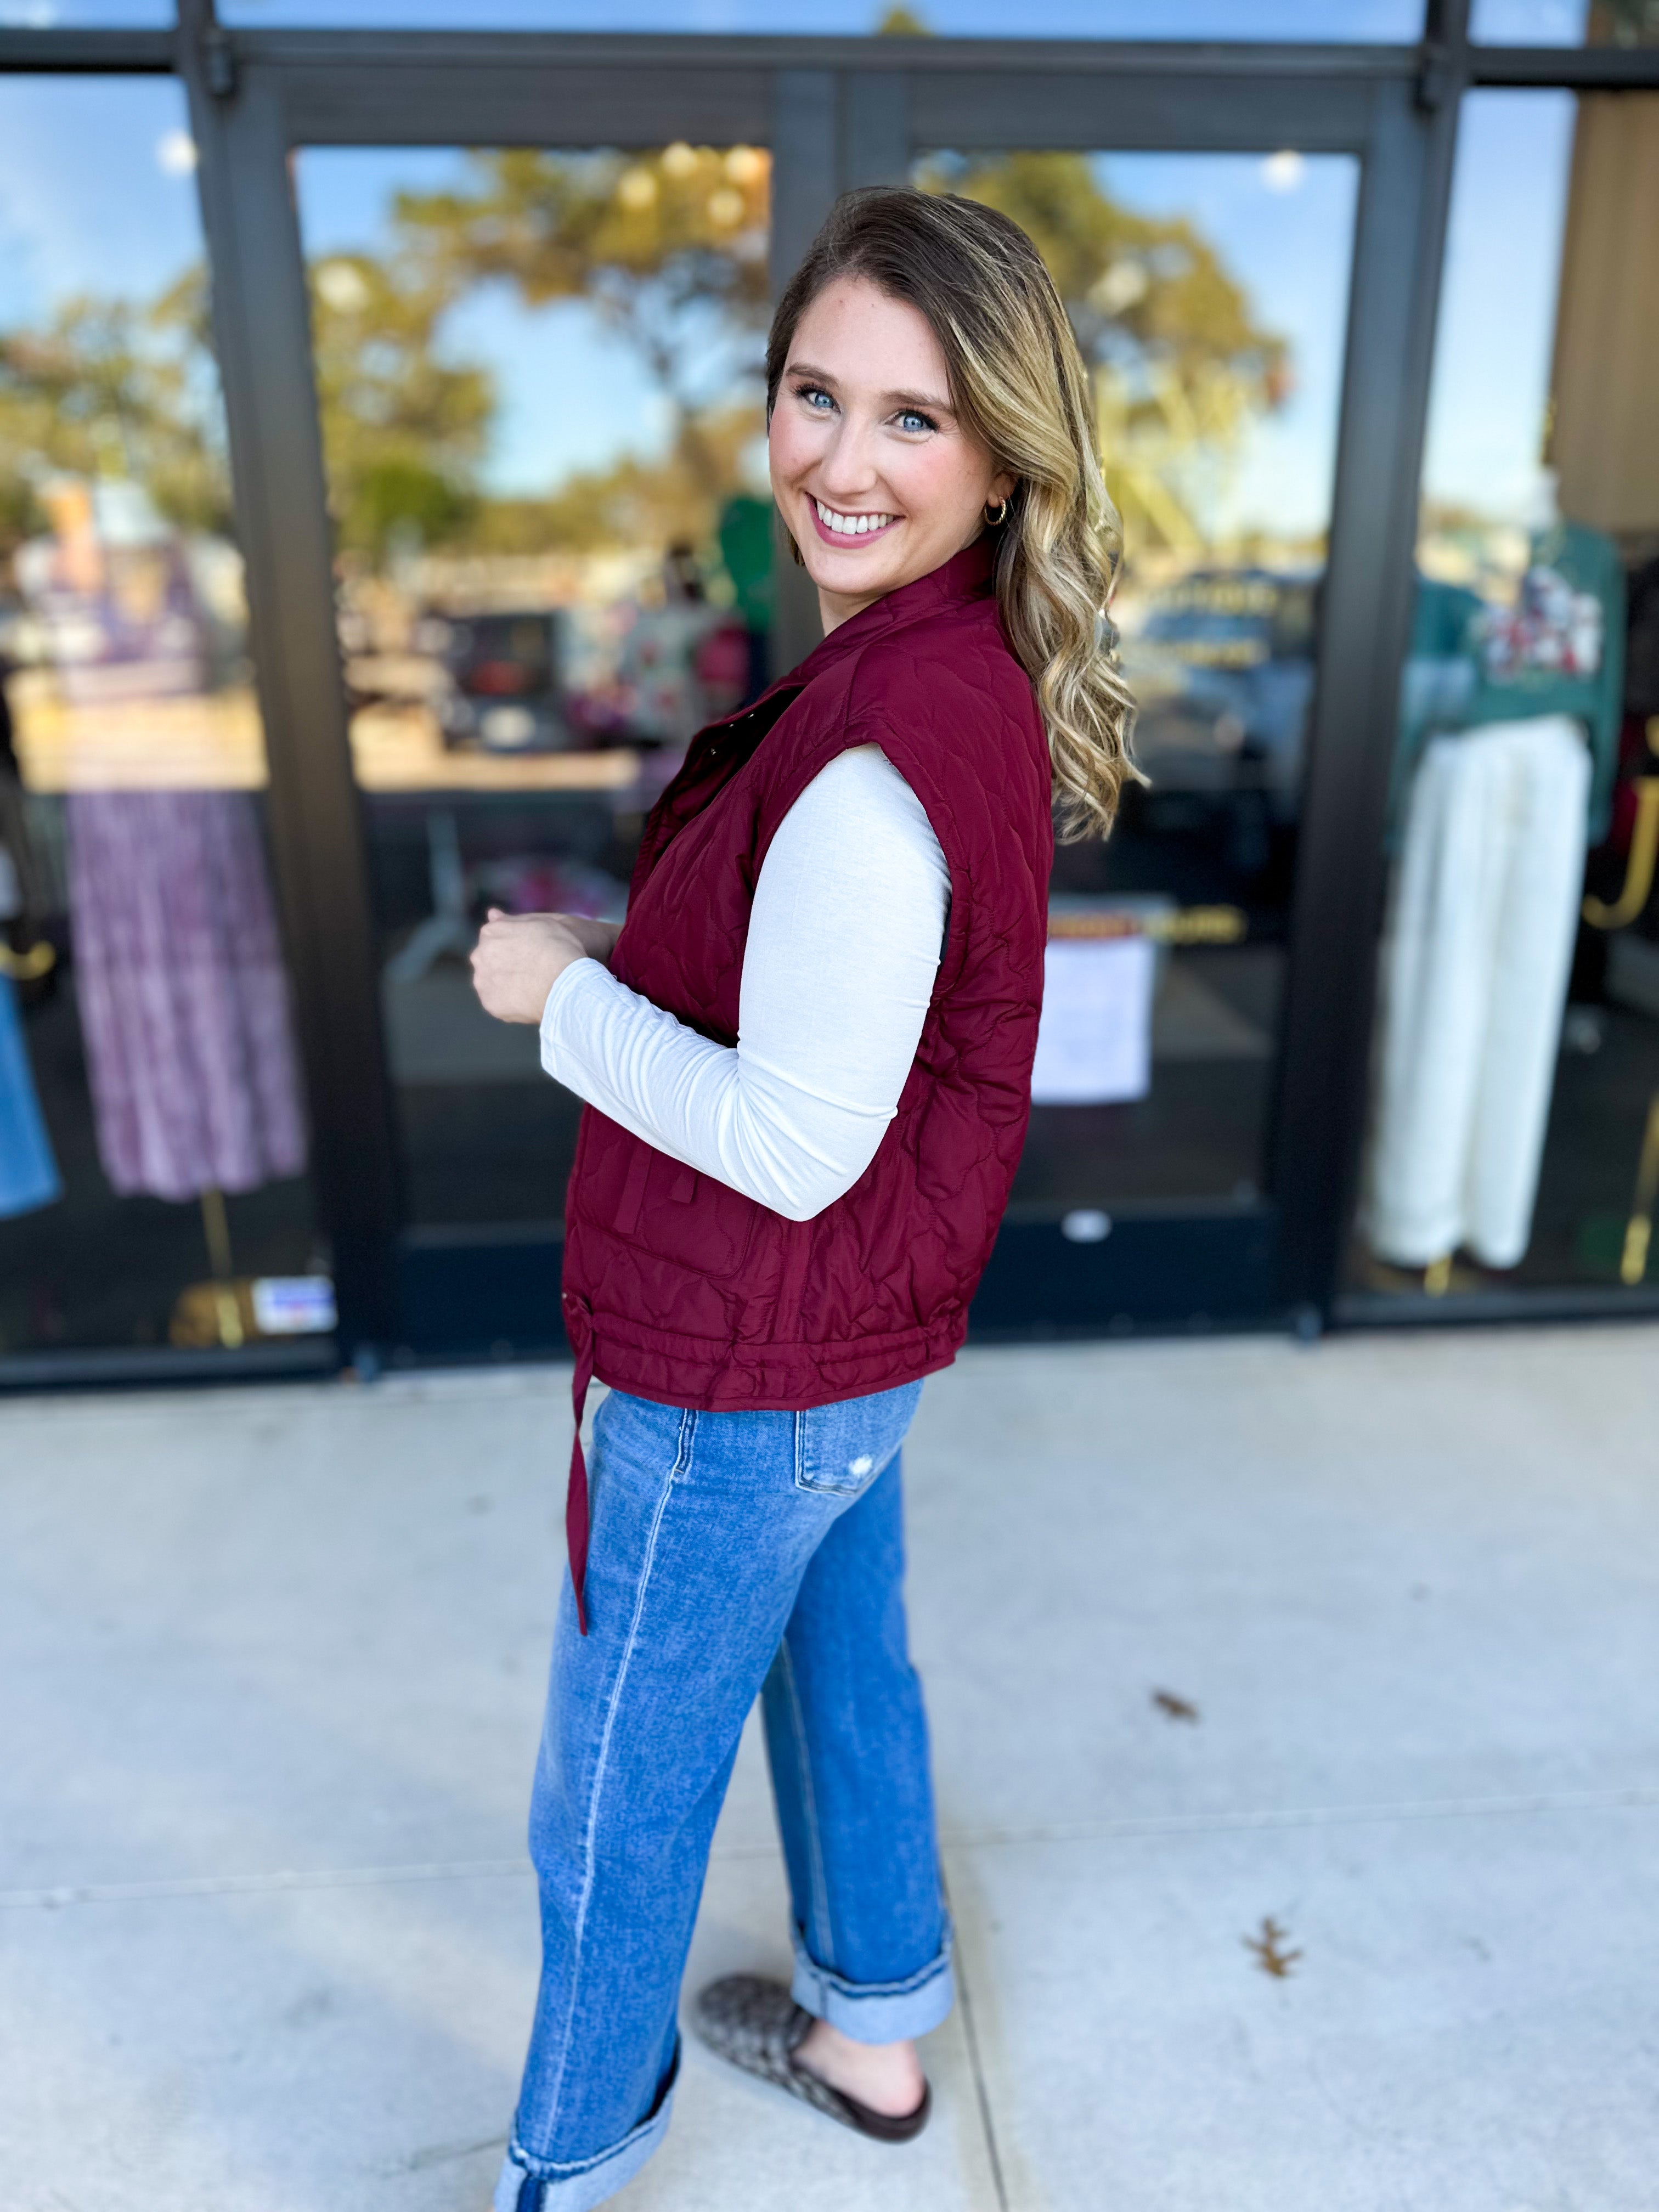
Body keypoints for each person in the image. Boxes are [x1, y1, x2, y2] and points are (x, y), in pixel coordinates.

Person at [469, 185, 1136, 2212]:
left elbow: (792, 1137)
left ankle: (564, 2174)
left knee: (613, 1805)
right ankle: (873, 2034)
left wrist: (560, 996)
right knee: (849, 1680)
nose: (843, 458)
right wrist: (633, 953)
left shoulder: (870, 754)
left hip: (741, 1364)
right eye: (815, 394)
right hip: (843, 1351)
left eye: (913, 419)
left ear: (1004, 458)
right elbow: (831, 1007)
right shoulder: (951, 672)